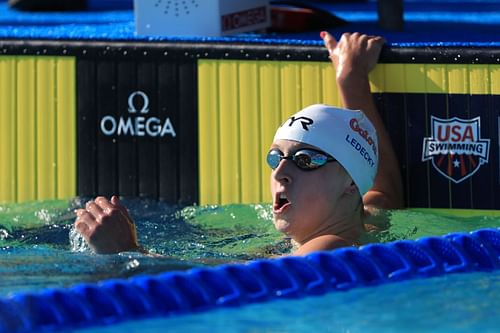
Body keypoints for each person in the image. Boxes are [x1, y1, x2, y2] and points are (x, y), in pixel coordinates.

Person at [74, 31, 404, 255]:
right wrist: (351, 78)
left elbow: (214, 289)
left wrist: (129, 253)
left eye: (306, 159)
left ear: (349, 184)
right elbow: (384, 187)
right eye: (276, 158)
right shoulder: (368, 218)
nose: (281, 172)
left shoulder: (327, 249)